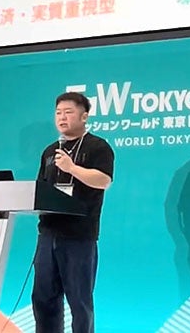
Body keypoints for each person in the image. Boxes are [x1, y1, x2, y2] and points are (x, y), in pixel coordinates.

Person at [32, 91, 114, 333]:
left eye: (68, 112)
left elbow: (104, 180)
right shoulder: (50, 151)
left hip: (79, 235)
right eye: (58, 113)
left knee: (80, 301)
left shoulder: (98, 147)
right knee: (43, 298)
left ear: (84, 116)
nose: (62, 117)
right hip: (48, 233)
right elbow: (40, 188)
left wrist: (72, 168)